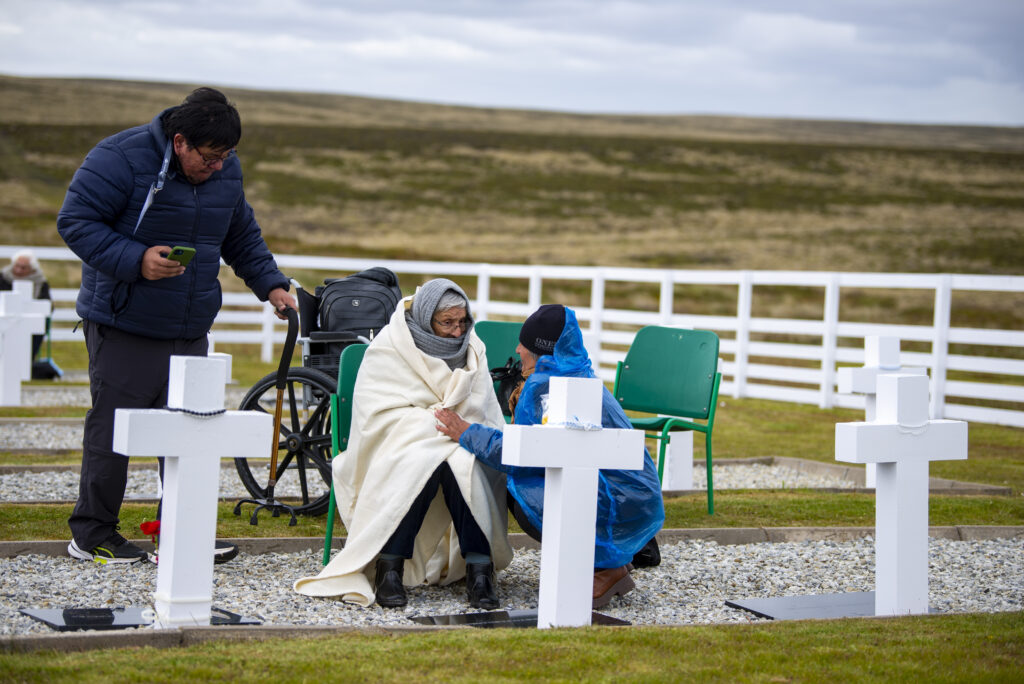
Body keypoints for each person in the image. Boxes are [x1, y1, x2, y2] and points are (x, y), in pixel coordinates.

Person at [57, 87, 296, 565]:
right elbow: (75, 222)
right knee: (114, 435)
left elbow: (240, 233)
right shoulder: (118, 158)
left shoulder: (224, 170)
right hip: (124, 322)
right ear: (180, 141)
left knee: (189, 434)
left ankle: (179, 533)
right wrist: (135, 259)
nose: (219, 168)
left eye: (227, 157)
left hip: (190, 326)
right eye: (210, 158)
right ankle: (92, 534)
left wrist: (270, 284)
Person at [294, 279, 513, 609]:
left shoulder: (473, 349)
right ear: (426, 319)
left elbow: (482, 410)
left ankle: (479, 570)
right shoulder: (391, 347)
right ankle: (390, 567)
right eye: (447, 323)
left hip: (460, 440)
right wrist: (436, 426)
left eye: (462, 321)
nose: (458, 331)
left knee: (458, 461)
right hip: (401, 442)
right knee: (425, 460)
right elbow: (377, 412)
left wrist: (459, 430)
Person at [435, 304, 665, 608]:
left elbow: (517, 453)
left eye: (525, 345)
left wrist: (465, 431)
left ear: (541, 352)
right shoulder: (583, 375)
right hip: (641, 501)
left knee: (512, 487)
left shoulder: (544, 387)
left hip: (614, 504)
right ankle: (620, 553)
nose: (517, 350)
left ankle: (605, 567)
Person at [0, 249, 52, 361]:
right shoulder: (3, 277)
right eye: (17, 266)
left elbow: (48, 306)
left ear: (32, 269)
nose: (19, 270)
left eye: (23, 268)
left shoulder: (40, 282)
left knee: (42, 323)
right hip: (4, 317)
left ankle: (27, 359)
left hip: (28, 321)